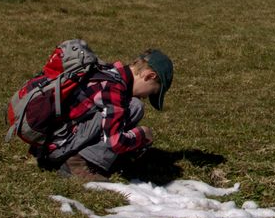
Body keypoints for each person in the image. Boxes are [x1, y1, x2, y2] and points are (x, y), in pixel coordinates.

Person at [33, 49, 175, 181]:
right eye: (152, 92)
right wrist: (142, 134)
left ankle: (99, 158)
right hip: (57, 146)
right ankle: (77, 164)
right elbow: (115, 142)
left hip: (50, 140)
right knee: (133, 107)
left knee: (132, 106)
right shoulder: (114, 88)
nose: (145, 97)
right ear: (149, 76)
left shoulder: (108, 71)